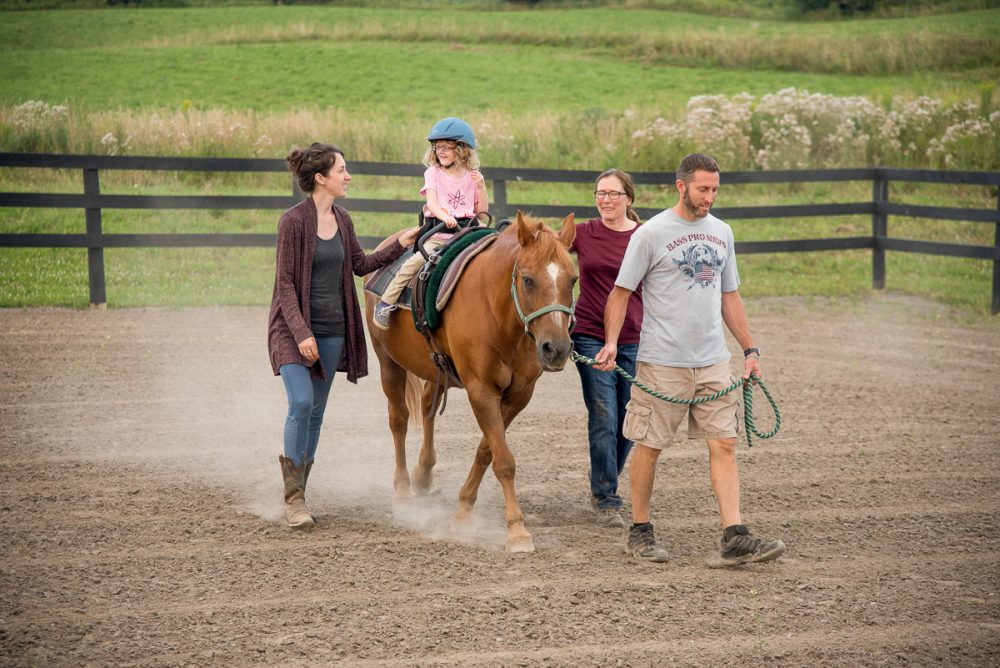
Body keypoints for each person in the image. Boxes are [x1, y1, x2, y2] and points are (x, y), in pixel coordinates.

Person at [594, 153, 785, 566]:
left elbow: (728, 295)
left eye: (715, 189)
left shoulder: (722, 233)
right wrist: (611, 343)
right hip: (663, 361)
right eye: (703, 189)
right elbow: (621, 293)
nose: (710, 197)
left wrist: (750, 350)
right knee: (649, 445)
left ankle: (734, 535)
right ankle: (640, 530)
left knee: (726, 444)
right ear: (681, 186)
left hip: (713, 360)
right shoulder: (651, 234)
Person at [267, 142, 419, 528]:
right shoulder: (293, 222)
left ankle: (300, 493)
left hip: (334, 330)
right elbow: (285, 283)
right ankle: (293, 497)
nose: (348, 176)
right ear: (321, 178)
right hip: (293, 329)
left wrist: (397, 247)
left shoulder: (343, 219)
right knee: (300, 403)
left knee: (316, 413)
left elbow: (359, 264)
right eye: (342, 170)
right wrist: (301, 332)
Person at [570, 168, 644, 529]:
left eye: (614, 194)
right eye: (601, 193)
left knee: (628, 420)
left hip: (634, 336)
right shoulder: (584, 233)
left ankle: (605, 471)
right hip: (589, 334)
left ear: (629, 198)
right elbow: (543, 248)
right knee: (604, 413)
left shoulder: (644, 237)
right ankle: (606, 495)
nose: (606, 200)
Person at [372, 117, 489, 329]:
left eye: (446, 147)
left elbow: (482, 213)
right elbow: (432, 203)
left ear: (462, 149)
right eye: (437, 147)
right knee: (414, 263)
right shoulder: (433, 173)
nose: (440, 152)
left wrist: (481, 187)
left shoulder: (473, 176)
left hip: (468, 230)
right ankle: (385, 302)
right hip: (440, 232)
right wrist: (445, 217)